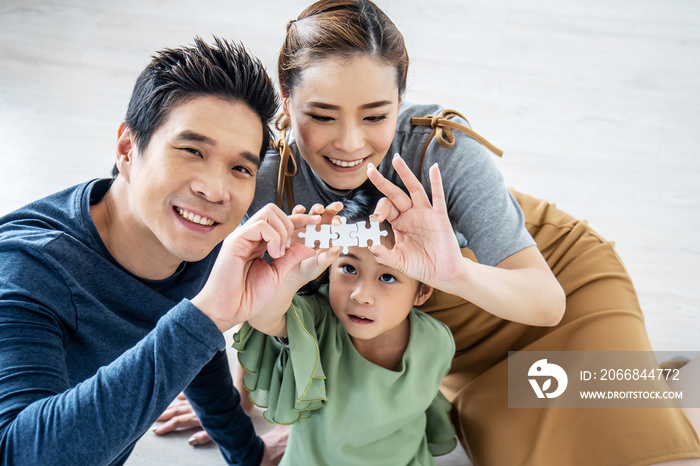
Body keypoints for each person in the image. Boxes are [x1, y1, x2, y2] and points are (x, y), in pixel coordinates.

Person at [161, 1, 700, 465]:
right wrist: (252, 401)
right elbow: (245, 292)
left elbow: (545, 301)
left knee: (646, 448)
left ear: (401, 97)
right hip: (430, 341)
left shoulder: (439, 149)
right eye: (321, 115)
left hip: (544, 291)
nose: (350, 143)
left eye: (375, 115)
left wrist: (452, 271)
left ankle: (644, 377)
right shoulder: (263, 180)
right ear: (285, 98)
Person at [0, 36, 320, 466]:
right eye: (192, 151)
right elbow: (20, 455)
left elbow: (187, 330)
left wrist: (248, 453)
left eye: (240, 168)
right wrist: (206, 316)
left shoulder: (200, 237)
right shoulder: (26, 268)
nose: (214, 190)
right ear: (128, 150)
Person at [234, 179, 458, 465]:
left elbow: (421, 410)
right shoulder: (318, 318)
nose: (361, 295)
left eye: (387, 277)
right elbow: (264, 317)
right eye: (349, 268)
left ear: (422, 291)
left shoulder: (437, 341)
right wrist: (292, 274)